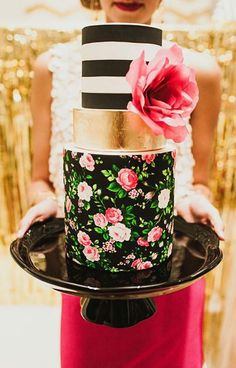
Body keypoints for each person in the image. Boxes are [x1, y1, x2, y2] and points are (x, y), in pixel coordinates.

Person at [18, 1, 224, 367]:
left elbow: (201, 182)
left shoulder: (200, 71)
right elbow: (39, 179)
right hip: (90, 272)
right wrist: (48, 201)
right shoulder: (53, 67)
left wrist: (194, 199)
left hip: (168, 273)